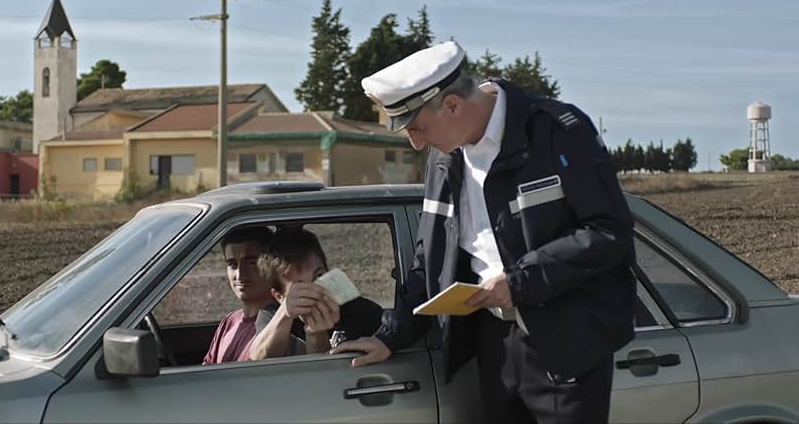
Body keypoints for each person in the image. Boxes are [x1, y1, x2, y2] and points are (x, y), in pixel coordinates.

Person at [331, 41, 636, 424]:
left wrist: (520, 281)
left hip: (565, 346)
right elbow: (429, 258)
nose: (416, 143)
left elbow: (609, 231)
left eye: (418, 128)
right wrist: (391, 334)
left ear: (453, 106)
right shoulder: (443, 158)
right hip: (492, 344)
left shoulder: (556, 132)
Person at [249, 227, 383, 360]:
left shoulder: (363, 312)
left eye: (319, 276)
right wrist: (285, 313)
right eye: (300, 286)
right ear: (279, 296)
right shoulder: (272, 315)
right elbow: (257, 358)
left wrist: (317, 334)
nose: (314, 289)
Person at [202, 226, 274, 364]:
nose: (240, 274)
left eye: (252, 263)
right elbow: (205, 372)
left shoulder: (279, 324)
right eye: (233, 264)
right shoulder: (229, 321)